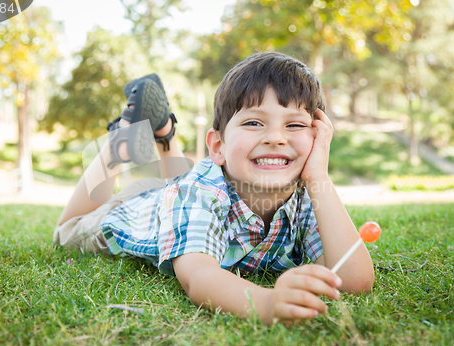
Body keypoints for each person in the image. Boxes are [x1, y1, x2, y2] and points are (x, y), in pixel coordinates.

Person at [54, 52, 375, 326]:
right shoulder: (200, 193)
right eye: (254, 122)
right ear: (218, 146)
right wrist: (267, 302)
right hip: (135, 211)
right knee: (66, 234)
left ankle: (164, 129)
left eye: (295, 125)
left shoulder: (307, 197)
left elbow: (355, 281)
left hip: (175, 192)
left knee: (176, 186)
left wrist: (320, 175)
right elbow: (199, 276)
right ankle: (121, 136)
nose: (276, 137)